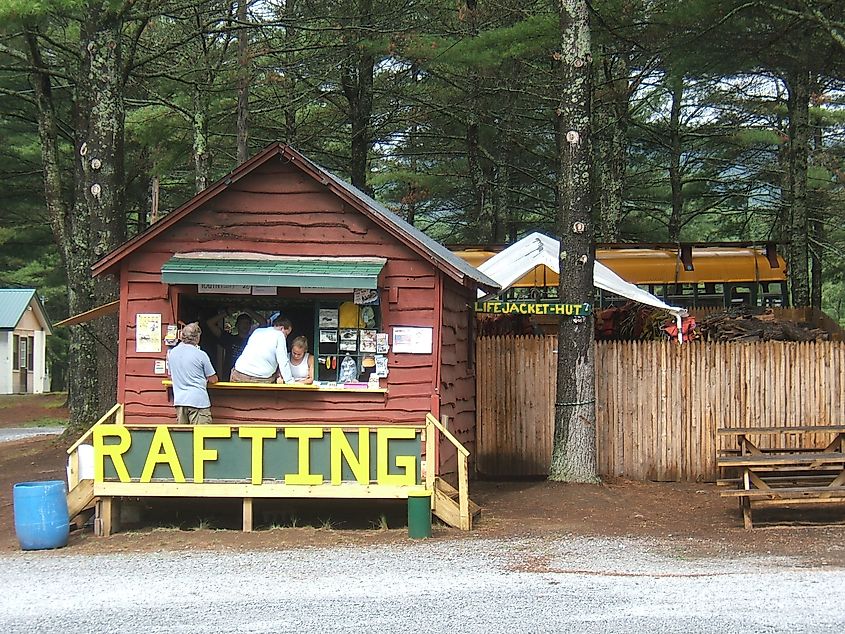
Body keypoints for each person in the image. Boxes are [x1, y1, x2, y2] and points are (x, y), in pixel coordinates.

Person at [166, 322, 218, 424]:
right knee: (201, 436)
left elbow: (171, 375)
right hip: (198, 401)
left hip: (180, 401)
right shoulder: (201, 355)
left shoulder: (172, 353)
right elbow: (213, 379)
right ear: (197, 337)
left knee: (183, 437)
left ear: (182, 336)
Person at [230, 316, 294, 384]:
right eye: (286, 334)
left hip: (239, 372)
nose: (286, 337)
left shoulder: (258, 331)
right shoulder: (280, 335)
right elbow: (283, 361)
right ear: (282, 328)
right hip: (260, 379)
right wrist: (290, 381)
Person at [205, 309, 261, 380]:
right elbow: (210, 323)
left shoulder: (254, 340)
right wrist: (227, 312)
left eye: (247, 323)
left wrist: (248, 310)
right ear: (237, 325)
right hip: (229, 377)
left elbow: (263, 323)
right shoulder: (229, 339)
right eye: (242, 323)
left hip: (249, 377)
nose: (245, 325)